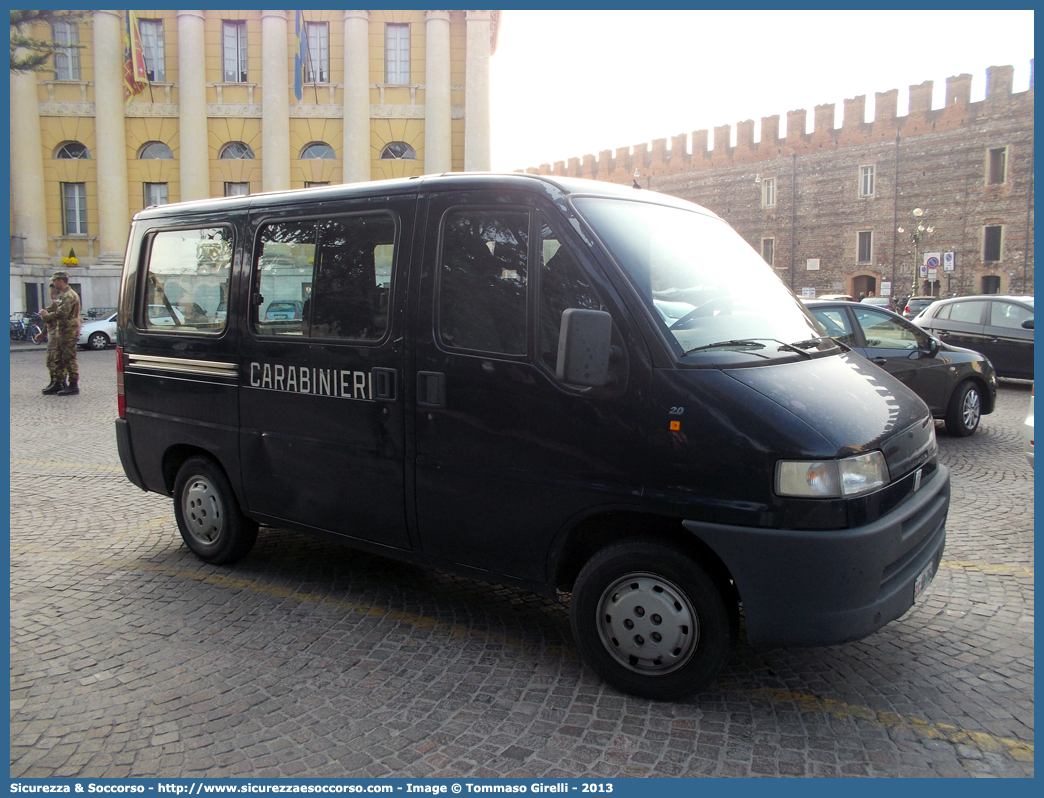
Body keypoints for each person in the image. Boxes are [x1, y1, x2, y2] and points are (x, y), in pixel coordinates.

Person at [40, 270, 81, 395]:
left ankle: (73, 384)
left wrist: (46, 316)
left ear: (60, 281)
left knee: (69, 358)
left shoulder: (69, 296)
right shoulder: (63, 295)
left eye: (54, 281)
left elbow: (62, 314)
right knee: (58, 358)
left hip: (69, 331)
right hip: (62, 331)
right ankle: (58, 383)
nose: (53, 283)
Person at [38, 286, 61, 394]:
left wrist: (44, 314)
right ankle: (55, 381)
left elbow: (52, 318)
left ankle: (57, 382)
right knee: (53, 359)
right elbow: (48, 323)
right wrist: (42, 333)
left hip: (55, 334)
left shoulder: (56, 303)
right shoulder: (55, 303)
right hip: (52, 333)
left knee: (52, 359)